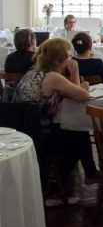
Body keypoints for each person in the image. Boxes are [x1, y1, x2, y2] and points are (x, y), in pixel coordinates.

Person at [12, 38, 95, 201]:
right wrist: (77, 74)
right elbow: (82, 95)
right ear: (60, 58)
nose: (70, 59)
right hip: (37, 137)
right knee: (79, 136)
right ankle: (56, 191)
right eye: (68, 55)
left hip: (23, 131)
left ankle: (90, 173)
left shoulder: (33, 71)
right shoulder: (52, 77)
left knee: (76, 133)